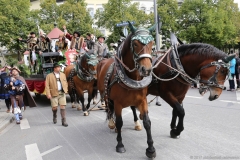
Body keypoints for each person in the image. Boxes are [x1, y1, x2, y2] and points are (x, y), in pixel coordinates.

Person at [45, 62, 68, 127]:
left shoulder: (63, 74)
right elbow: (47, 86)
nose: (59, 68)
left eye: (60, 67)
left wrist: (66, 89)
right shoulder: (49, 76)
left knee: (63, 106)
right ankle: (54, 115)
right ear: (54, 68)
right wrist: (48, 94)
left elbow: (65, 82)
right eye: (58, 67)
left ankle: (64, 121)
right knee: (54, 107)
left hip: (61, 93)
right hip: (53, 94)